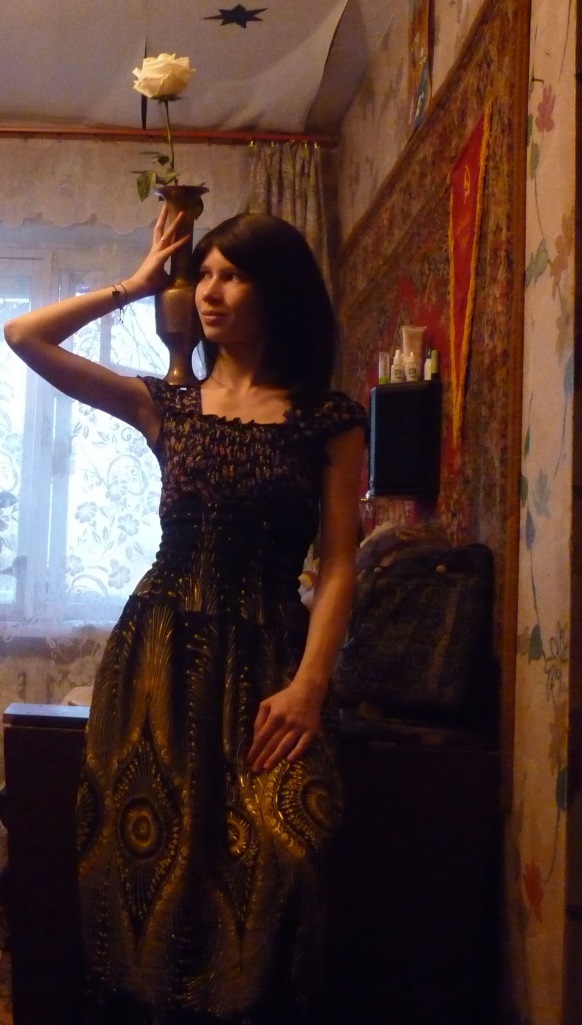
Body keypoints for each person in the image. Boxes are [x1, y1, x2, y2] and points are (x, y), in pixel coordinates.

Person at [3, 205, 367, 1025]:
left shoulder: (328, 418)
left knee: (289, 852)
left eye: (232, 275)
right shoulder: (167, 402)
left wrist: (310, 685)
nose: (209, 290)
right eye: (202, 273)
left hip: (270, 664)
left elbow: (342, 560)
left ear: (278, 291)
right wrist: (136, 284)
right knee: (144, 866)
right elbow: (24, 335)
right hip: (157, 661)